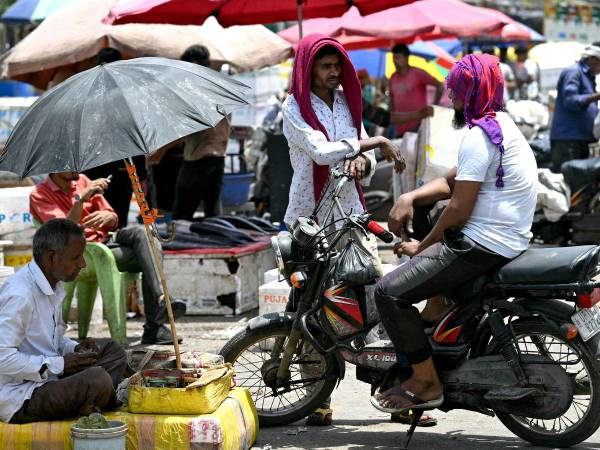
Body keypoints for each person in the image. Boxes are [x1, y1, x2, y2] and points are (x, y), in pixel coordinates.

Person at [283, 33, 434, 427]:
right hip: (310, 220)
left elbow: (357, 158)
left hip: (351, 215)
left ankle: (394, 396)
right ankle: (317, 399)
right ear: (309, 69)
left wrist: (363, 161)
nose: (334, 73)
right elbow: (320, 151)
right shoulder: (294, 107)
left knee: (375, 304)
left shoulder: (348, 104)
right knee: (309, 310)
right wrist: (373, 142)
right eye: (326, 66)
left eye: (337, 66)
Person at [372, 53, 537, 411]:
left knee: (388, 293)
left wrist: (421, 249)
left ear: (472, 93)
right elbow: (454, 180)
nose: (451, 100)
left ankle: (426, 382)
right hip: (506, 237)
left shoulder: (479, 137)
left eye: (457, 93)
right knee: (428, 207)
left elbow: (459, 211)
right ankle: (436, 308)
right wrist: (409, 196)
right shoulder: (502, 125)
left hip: (481, 244)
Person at [29, 172, 186, 345]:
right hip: (85, 252)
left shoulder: (82, 180)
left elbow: (113, 218)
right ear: (56, 166)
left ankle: (161, 298)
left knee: (147, 236)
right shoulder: (39, 194)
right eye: (70, 164)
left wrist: (108, 217)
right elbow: (63, 233)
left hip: (108, 239)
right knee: (150, 252)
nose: (76, 167)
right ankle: (155, 325)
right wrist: (80, 200)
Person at [0, 219, 128, 424]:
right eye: (76, 257)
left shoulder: (53, 285)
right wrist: (59, 364)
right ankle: (94, 398)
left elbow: (52, 341)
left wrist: (75, 349)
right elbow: (2, 358)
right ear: (52, 257)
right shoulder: (20, 294)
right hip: (19, 396)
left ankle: (90, 401)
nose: (83, 264)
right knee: (97, 379)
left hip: (51, 378)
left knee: (114, 351)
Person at [83, 48, 147, 228]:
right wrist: (141, 175)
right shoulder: (128, 95)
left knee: (95, 220)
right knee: (118, 221)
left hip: (93, 170)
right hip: (122, 170)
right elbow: (134, 135)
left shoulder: (87, 94)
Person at [170, 45, 230, 220]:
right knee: (213, 214)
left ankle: (178, 246)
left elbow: (187, 127)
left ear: (194, 63)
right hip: (218, 157)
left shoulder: (195, 89)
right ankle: (217, 246)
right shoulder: (220, 87)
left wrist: (160, 151)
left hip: (198, 159)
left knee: (181, 215)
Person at [550, 44, 600, 173]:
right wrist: (596, 97)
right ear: (592, 59)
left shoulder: (589, 77)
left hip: (581, 139)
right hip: (568, 139)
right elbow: (570, 101)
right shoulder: (574, 72)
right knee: (567, 183)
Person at [388, 44, 444, 136]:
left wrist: (434, 106)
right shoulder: (393, 78)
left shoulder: (417, 73)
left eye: (398, 57)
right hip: (400, 128)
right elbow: (392, 100)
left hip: (418, 125)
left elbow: (439, 86)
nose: (395, 61)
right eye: (393, 58)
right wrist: (390, 119)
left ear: (406, 58)